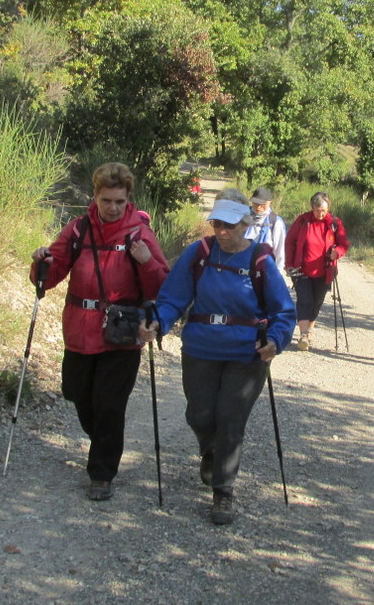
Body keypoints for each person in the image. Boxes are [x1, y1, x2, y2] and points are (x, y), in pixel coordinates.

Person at [141, 188, 295, 525]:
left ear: (244, 224)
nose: (222, 232)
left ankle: (223, 492)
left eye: (229, 226)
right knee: (199, 415)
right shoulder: (199, 253)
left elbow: (284, 312)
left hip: (247, 354)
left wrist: (276, 340)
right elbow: (172, 298)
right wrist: (159, 322)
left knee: (230, 420)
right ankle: (210, 452)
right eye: (216, 226)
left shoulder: (260, 260)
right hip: (200, 349)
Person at [31, 163, 169, 500]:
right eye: (107, 200)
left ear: (128, 200)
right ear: (95, 196)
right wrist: (42, 262)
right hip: (79, 329)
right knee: (77, 394)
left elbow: (162, 286)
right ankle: (104, 444)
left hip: (121, 334)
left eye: (119, 201)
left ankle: (102, 473)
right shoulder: (78, 230)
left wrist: (146, 260)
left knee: (109, 405)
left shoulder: (139, 233)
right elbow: (49, 277)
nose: (113, 208)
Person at [284, 191, 350, 350]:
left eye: (323, 210)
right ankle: (304, 335)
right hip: (301, 270)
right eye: (317, 210)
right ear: (312, 208)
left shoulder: (334, 223)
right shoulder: (303, 221)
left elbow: (344, 243)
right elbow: (290, 242)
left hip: (325, 272)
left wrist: (338, 252)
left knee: (317, 303)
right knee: (304, 300)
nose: (320, 213)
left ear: (328, 209)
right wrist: (289, 264)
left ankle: (310, 329)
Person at [243, 186, 287, 275]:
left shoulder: (276, 222)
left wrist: (277, 275)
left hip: (264, 271)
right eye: (255, 203)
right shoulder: (243, 217)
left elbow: (280, 251)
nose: (258, 207)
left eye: (262, 204)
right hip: (242, 267)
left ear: (270, 202)